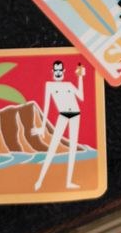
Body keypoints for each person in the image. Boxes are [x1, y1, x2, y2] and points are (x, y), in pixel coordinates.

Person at [33, 60, 85, 191]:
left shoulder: (69, 84)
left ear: (63, 71)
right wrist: (42, 127)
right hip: (63, 115)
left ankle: (69, 182)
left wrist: (80, 78)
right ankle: (39, 180)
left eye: (60, 70)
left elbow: (81, 97)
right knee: (53, 146)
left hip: (75, 115)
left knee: (72, 149)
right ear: (52, 71)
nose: (58, 72)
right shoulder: (50, 85)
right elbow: (46, 106)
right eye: (56, 70)